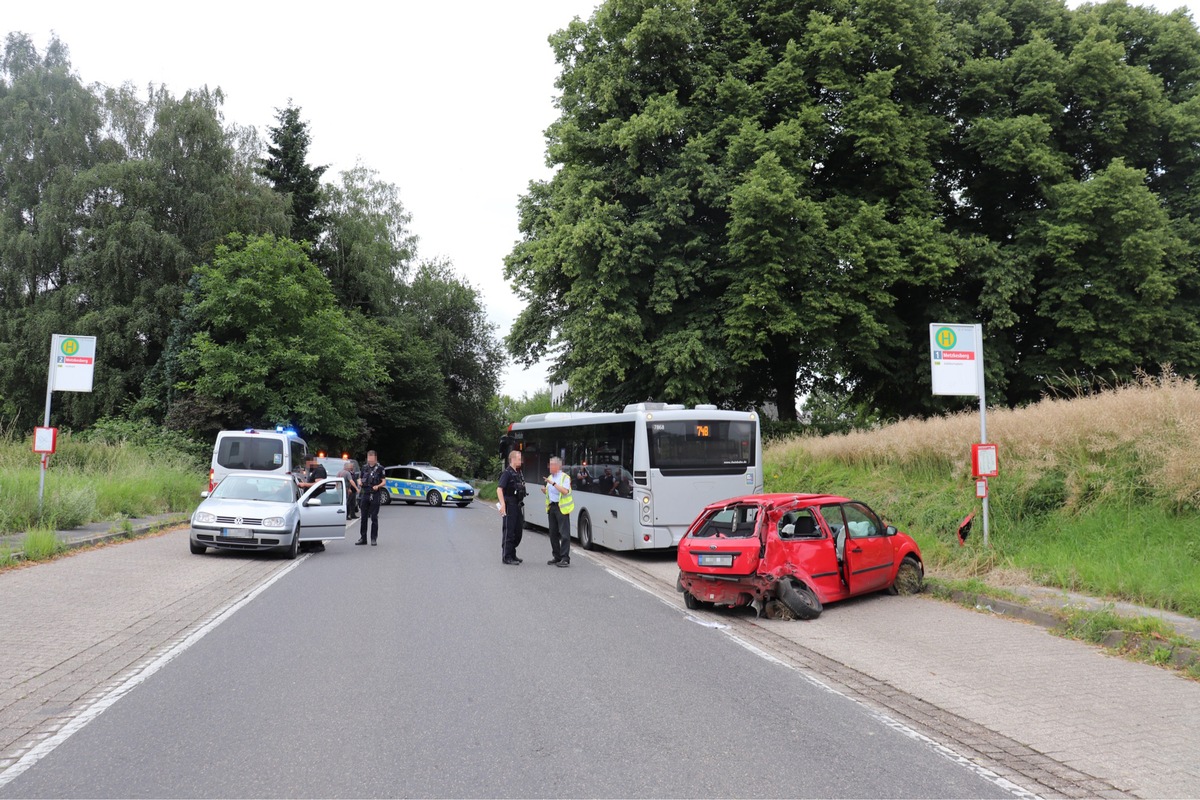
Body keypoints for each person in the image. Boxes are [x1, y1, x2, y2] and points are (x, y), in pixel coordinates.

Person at [497, 450, 526, 565]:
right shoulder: (507, 473)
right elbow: (499, 489)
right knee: (509, 531)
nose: (521, 461)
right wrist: (503, 504)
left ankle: (513, 554)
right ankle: (507, 556)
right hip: (509, 505)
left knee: (517, 531)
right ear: (513, 459)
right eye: (519, 459)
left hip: (517, 505)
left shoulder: (518, 473)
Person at [545, 456, 573, 567]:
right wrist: (545, 491)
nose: (550, 467)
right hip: (552, 507)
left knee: (564, 533)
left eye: (552, 464)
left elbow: (565, 491)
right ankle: (556, 556)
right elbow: (550, 492)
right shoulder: (550, 477)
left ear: (558, 466)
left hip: (561, 508)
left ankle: (565, 558)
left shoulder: (564, 477)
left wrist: (553, 484)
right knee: (553, 533)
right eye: (549, 464)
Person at [298, 456, 328, 552]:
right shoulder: (315, 470)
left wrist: (305, 485)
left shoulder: (319, 470)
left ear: (311, 462)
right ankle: (308, 544)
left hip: (317, 500)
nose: (306, 466)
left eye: (306, 463)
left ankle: (317, 544)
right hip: (313, 500)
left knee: (315, 522)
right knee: (311, 522)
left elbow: (319, 485)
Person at [356, 450, 386, 546]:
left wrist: (378, 486)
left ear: (375, 458)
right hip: (365, 493)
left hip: (375, 493)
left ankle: (373, 538)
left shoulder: (380, 468)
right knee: (363, 516)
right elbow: (359, 478)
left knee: (374, 517)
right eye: (369, 458)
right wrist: (359, 482)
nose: (370, 460)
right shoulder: (364, 467)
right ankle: (363, 538)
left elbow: (384, 481)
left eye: (372, 458)